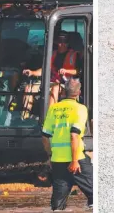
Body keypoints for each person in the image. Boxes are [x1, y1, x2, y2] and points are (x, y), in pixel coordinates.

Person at [41, 78, 92, 210]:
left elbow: (45, 137)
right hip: (77, 161)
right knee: (96, 193)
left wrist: (50, 156)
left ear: (63, 92)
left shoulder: (54, 109)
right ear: (79, 92)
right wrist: (74, 161)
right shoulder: (80, 108)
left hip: (58, 160)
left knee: (57, 205)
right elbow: (74, 135)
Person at [22, 31, 82, 106]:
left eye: (65, 41)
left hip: (66, 84)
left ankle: (49, 115)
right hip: (50, 82)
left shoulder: (74, 55)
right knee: (28, 88)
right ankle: (25, 115)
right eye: (60, 41)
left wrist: (66, 71)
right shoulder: (52, 54)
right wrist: (32, 72)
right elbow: (45, 69)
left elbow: (78, 71)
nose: (63, 44)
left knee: (55, 88)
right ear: (57, 42)